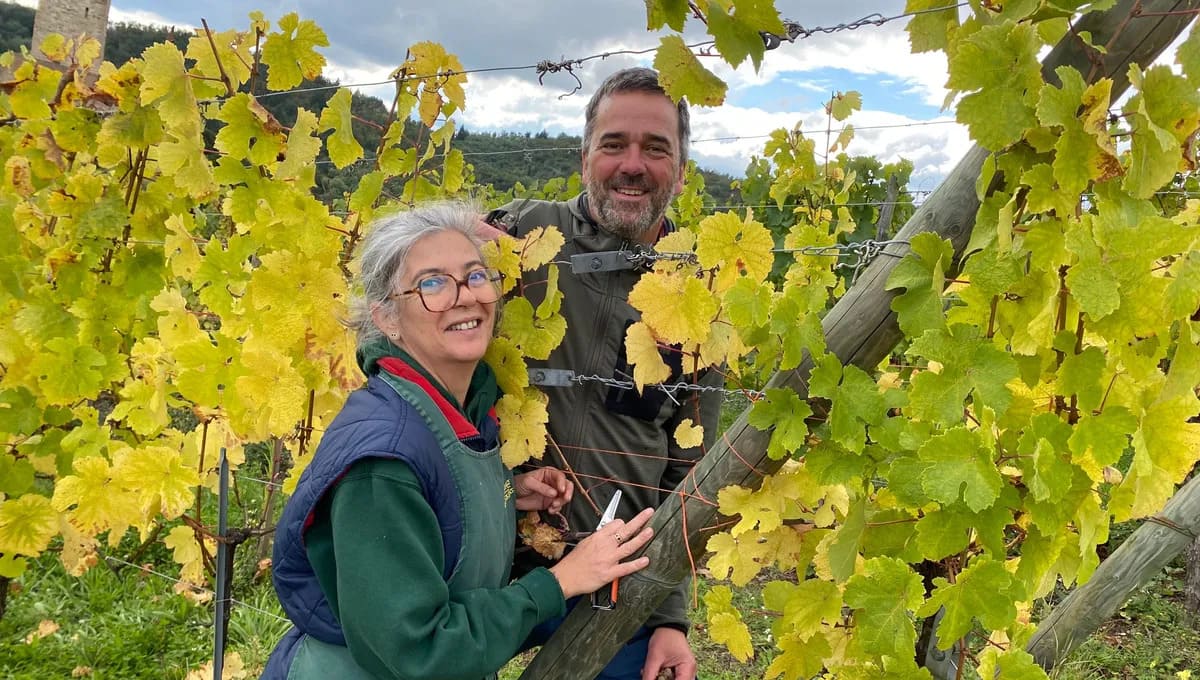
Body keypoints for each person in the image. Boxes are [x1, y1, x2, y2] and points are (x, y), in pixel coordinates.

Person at [263, 202, 655, 680]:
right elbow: (421, 650)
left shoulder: (457, 411)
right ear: (387, 316)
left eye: (474, 276)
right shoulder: (383, 463)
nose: (464, 297)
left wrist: (504, 495)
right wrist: (558, 582)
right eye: (432, 283)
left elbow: (434, 524)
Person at [481, 68, 723, 680]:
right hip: (480, 562)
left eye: (656, 147)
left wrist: (670, 619)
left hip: (614, 579)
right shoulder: (516, 238)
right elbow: (403, 325)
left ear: (683, 170)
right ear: (585, 155)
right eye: (614, 144)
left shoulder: (698, 295)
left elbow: (688, 471)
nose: (632, 164)